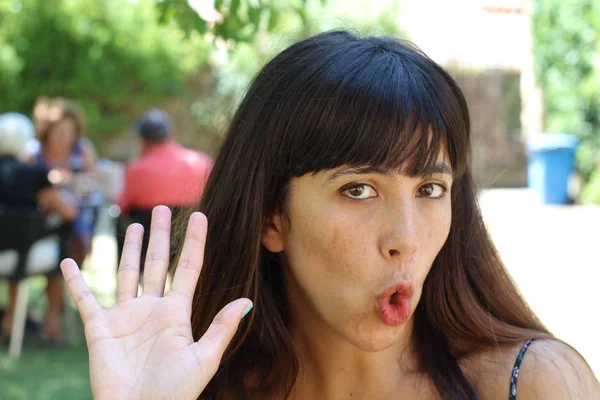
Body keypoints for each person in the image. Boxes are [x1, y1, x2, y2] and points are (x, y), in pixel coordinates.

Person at [60, 31, 600, 400]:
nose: (405, 240)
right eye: (359, 189)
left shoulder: (534, 384)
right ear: (273, 217)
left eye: (431, 188)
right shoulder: (197, 388)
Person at [0, 112, 78, 342]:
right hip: (22, 255)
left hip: (12, 251)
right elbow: (69, 212)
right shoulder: (35, 174)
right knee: (60, 251)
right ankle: (51, 323)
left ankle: (12, 318)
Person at [115, 109, 213, 274]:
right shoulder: (202, 162)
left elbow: (124, 205)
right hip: (191, 240)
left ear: (143, 140)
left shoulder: (137, 168)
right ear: (171, 134)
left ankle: (125, 274)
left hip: (148, 243)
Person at [31, 97, 101, 267]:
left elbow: (96, 180)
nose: (66, 138)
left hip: (77, 214)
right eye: (61, 132)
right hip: (42, 214)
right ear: (48, 130)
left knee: (76, 247)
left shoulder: (83, 149)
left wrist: (72, 179)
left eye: (70, 133)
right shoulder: (34, 152)